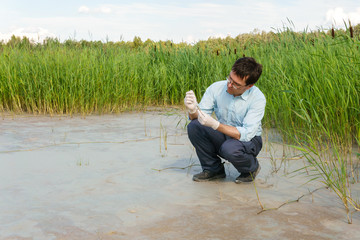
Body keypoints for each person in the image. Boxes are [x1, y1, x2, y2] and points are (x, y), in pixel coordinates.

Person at [184, 57, 265, 183]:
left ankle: (250, 169)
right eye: (230, 79)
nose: (229, 85)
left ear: (249, 86)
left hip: (250, 140)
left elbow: (246, 133)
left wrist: (216, 125)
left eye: (236, 84)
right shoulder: (216, 88)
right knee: (194, 126)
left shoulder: (258, 98)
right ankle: (213, 169)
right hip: (224, 133)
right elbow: (199, 117)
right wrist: (193, 110)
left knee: (229, 148)